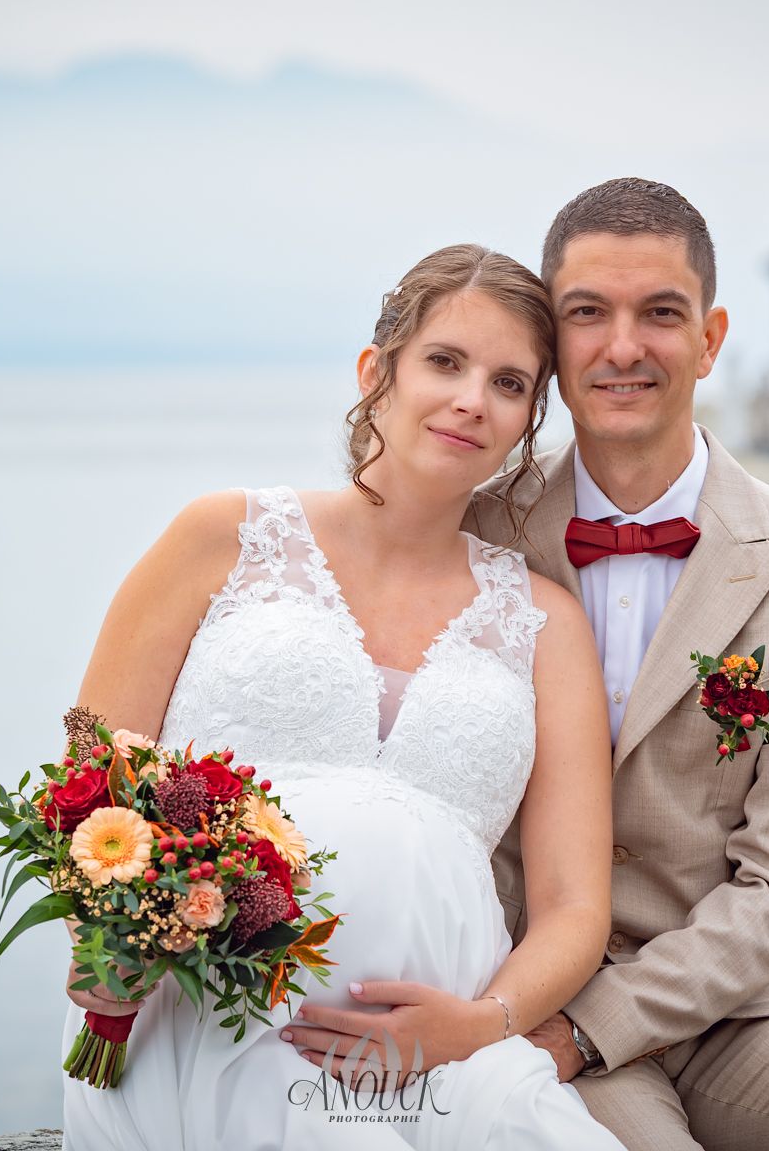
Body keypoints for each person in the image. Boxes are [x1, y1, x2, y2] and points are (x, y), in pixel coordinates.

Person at [59, 243, 627, 1149]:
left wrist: (475, 1026)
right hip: (210, 1025)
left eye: (508, 383)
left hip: (449, 1062)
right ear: (376, 372)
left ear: (528, 420)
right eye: (444, 362)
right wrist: (107, 951)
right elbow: (90, 787)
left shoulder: (544, 624)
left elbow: (573, 908)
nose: (471, 399)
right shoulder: (221, 537)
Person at [456, 178, 769, 1150]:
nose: (623, 346)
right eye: (587, 313)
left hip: (736, 1001)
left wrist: (597, 1026)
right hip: (521, 987)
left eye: (660, 313)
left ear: (711, 338)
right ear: (551, 340)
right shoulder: (476, 536)